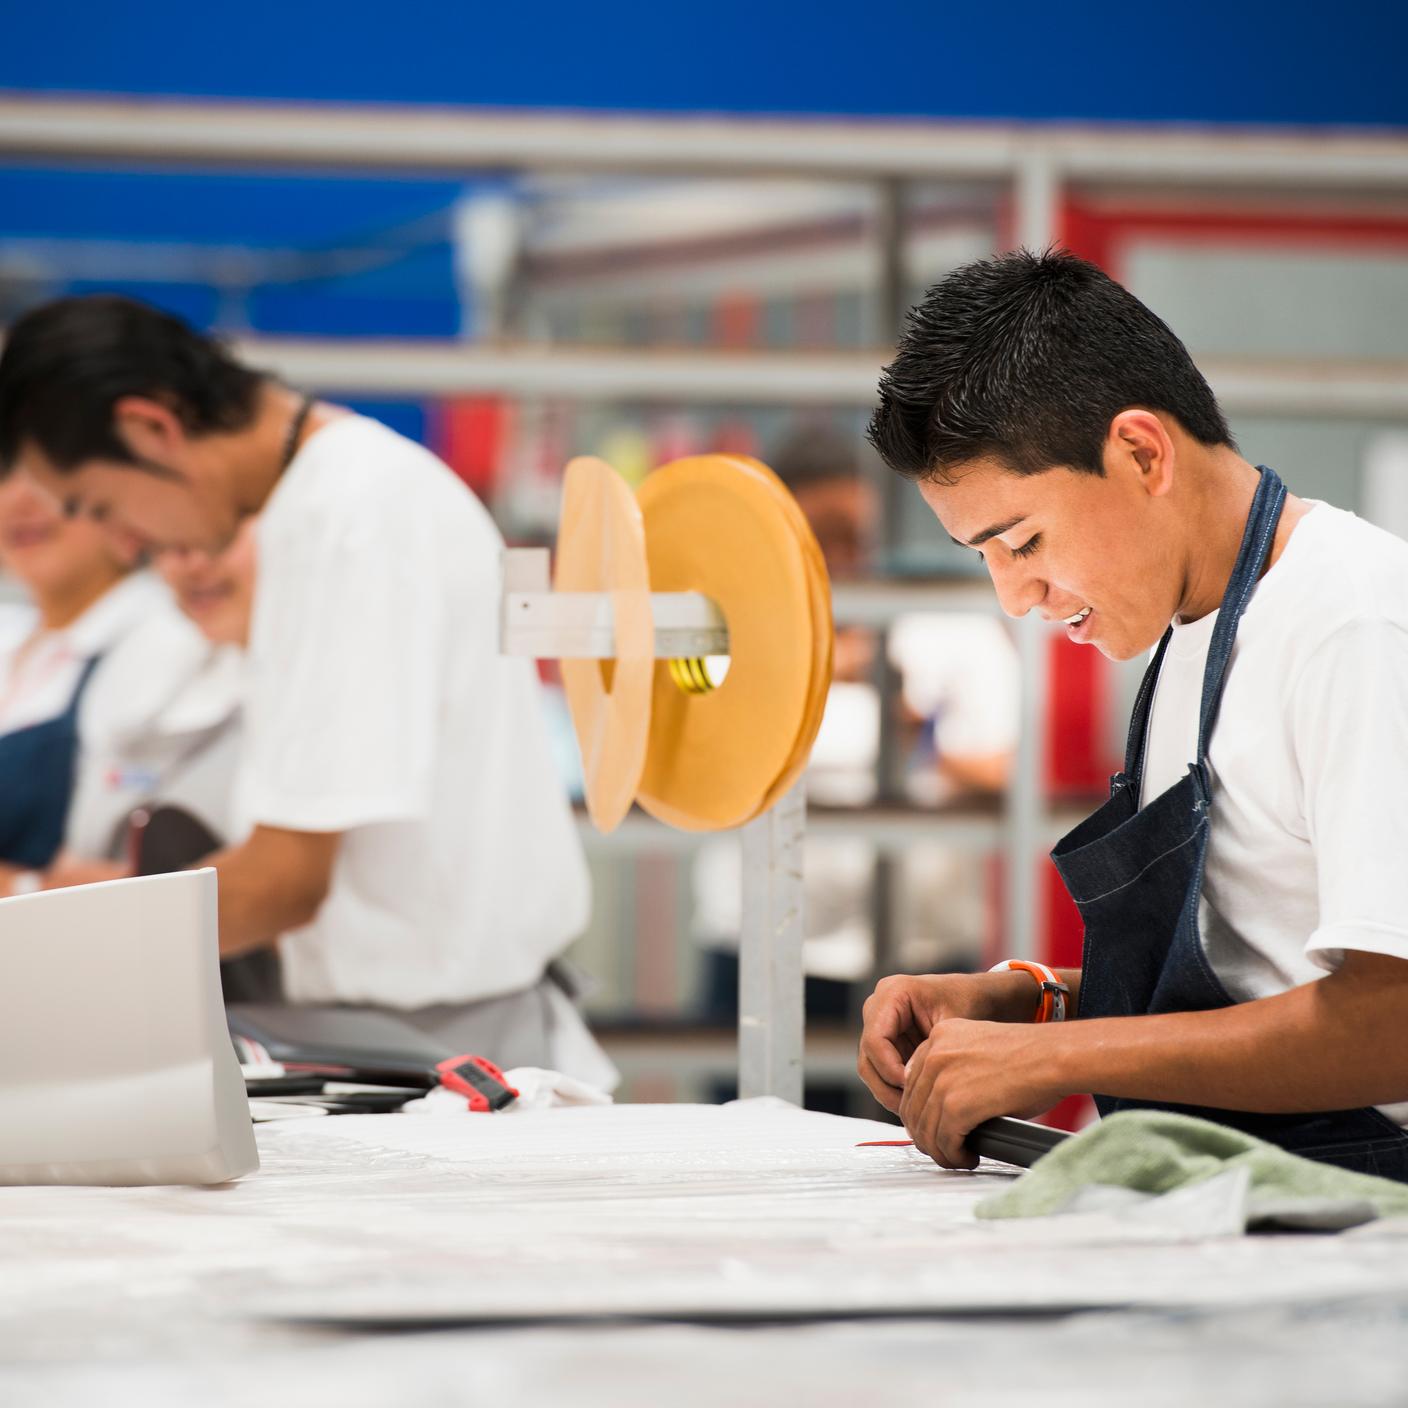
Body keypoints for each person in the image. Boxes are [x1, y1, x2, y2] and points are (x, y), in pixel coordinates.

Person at [857, 248, 1408, 1180]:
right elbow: (1258, 975)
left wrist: (1060, 1059)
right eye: (982, 556)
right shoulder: (1186, 634)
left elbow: (1389, 1018)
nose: (1016, 595)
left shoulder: (1354, 627)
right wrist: (1029, 1006)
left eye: (1023, 539)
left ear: (1143, 452)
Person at [0, 295, 612, 1088]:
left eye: (101, 506)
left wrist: (47, 939)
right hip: (375, 1035)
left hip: (442, 1050)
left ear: (153, 427)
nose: (127, 543)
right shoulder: (334, 502)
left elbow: (285, 881)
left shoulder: (353, 518)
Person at [693, 426, 1019, 1034]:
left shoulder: (950, 623)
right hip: (760, 949)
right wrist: (802, 677)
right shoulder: (728, 637)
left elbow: (1011, 777)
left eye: (855, 538)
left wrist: (913, 730)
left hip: (929, 956)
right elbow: (693, 766)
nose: (842, 558)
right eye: (820, 540)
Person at [0, 468, 224, 893]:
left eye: (44, 472)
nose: (19, 502)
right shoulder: (11, 639)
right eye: (3, 474)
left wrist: (26, 887)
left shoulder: (172, 639)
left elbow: (125, 874)